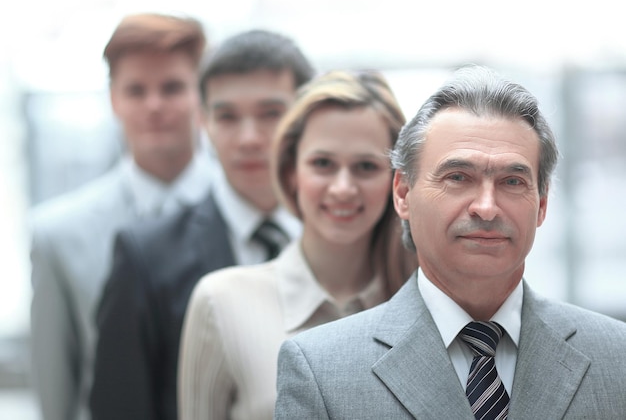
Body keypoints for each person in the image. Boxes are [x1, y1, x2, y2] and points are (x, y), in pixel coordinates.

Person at [274, 65, 626, 419]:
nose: (486, 208)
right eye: (458, 177)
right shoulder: (321, 373)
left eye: (512, 182)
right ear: (403, 193)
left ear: (542, 204)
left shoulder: (616, 357)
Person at [89, 30, 314, 420]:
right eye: (227, 116)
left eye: (270, 114)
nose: (248, 138)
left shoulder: (351, 238)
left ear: (306, 118)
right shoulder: (147, 256)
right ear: (202, 120)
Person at [177, 70, 417, 420]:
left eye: (366, 166)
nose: (342, 188)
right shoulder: (221, 300)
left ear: (398, 183)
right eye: (323, 164)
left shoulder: (426, 304)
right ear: (291, 171)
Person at [29, 12, 212, 420]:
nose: (154, 105)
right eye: (136, 90)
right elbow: (57, 392)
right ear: (113, 99)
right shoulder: (58, 233)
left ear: (203, 95)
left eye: (172, 87)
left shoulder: (252, 215)